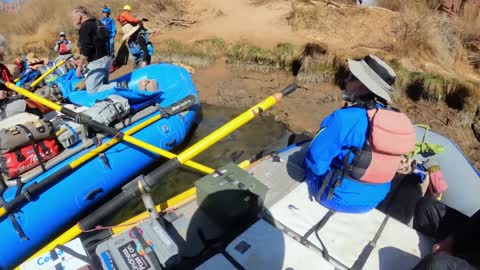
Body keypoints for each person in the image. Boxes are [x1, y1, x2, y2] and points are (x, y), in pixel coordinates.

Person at [304, 55, 416, 213]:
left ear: (363, 86)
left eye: (351, 77)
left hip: (335, 198)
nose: (346, 80)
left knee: (304, 152)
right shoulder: (397, 119)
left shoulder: (343, 118)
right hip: (372, 202)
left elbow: (316, 164)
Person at [412, 198, 479, 269]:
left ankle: (429, 263)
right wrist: (450, 240)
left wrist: (454, 256)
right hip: (470, 239)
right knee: (425, 206)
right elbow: (474, 223)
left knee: (434, 264)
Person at [72, 6, 119, 93]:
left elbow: (86, 49)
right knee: (104, 87)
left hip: (97, 62)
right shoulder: (98, 22)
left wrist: (79, 66)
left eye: (74, 18)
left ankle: (119, 86)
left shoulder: (85, 27)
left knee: (93, 90)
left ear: (79, 16)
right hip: (106, 59)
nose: (73, 20)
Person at [0, 35, 27, 119]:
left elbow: (11, 84)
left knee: (28, 102)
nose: (3, 53)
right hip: (2, 108)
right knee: (24, 104)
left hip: (7, 100)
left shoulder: (3, 68)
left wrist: (11, 92)